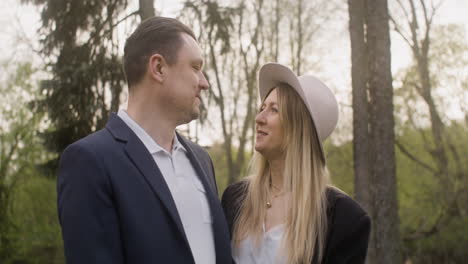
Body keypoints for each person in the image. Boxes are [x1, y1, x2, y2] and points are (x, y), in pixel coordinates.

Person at [57, 16, 232, 264]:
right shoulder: (90, 161)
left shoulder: (203, 160)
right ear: (158, 68)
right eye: (195, 67)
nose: (204, 83)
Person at [222, 63, 371, 264]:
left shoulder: (345, 219)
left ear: (299, 128)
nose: (259, 118)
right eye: (262, 108)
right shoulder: (234, 199)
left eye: (273, 110)